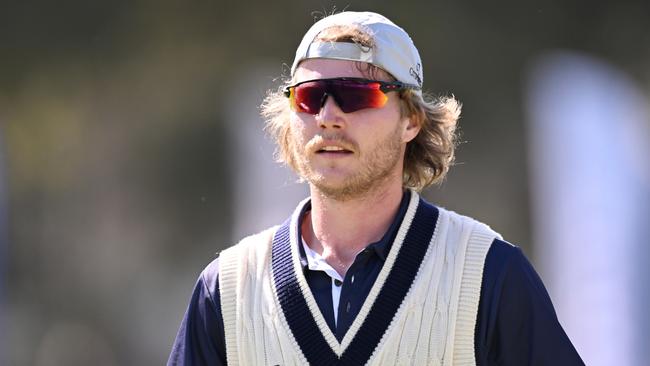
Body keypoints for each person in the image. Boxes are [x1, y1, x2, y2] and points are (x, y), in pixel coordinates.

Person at [168, 11, 584, 366]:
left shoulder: (488, 273)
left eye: (356, 94)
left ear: (411, 120)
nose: (329, 116)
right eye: (310, 98)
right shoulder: (226, 288)